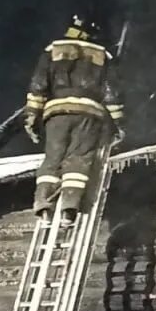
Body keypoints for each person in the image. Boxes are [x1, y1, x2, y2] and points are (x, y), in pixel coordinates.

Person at [24, 15, 123, 225]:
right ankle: (69, 209)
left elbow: (38, 85)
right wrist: (119, 123)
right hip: (88, 114)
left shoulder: (52, 50)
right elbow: (111, 94)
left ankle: (43, 206)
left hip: (56, 114)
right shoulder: (103, 55)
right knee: (79, 159)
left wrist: (32, 115)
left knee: (53, 159)